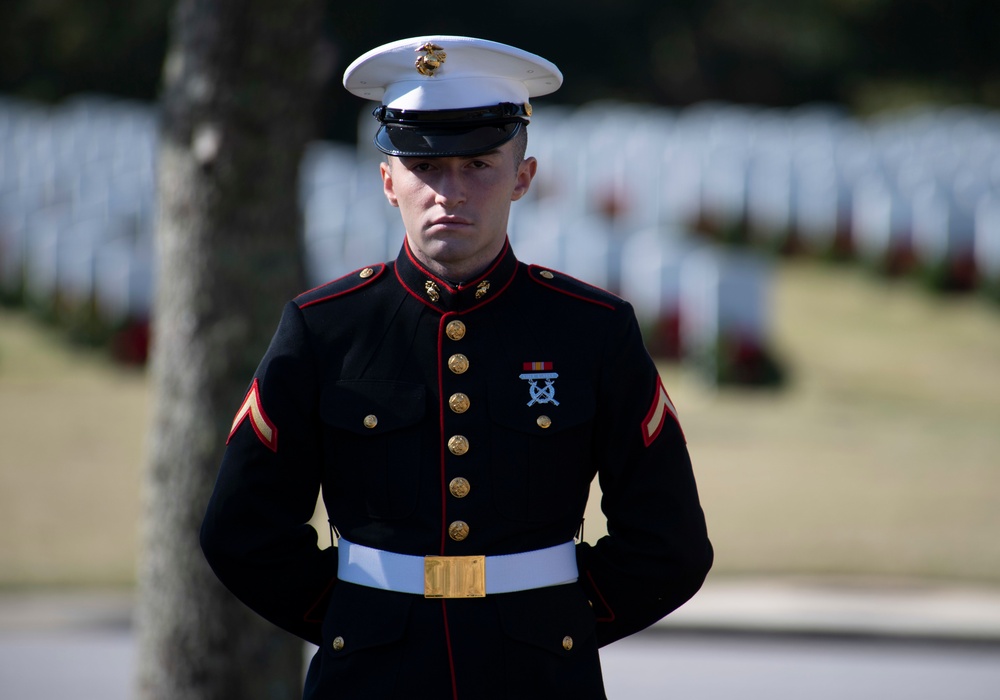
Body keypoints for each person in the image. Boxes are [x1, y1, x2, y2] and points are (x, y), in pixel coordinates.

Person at [201, 35, 713, 699]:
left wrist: (557, 626)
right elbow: (241, 529)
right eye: (425, 167)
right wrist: (355, 622)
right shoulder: (325, 328)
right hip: (371, 678)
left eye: (478, 164)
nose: (451, 191)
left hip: (538, 678)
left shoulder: (593, 331)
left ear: (522, 177)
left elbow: (668, 543)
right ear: (389, 181)